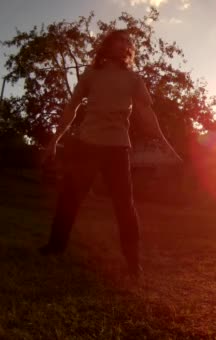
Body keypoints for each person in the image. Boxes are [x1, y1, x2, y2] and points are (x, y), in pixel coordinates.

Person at [38, 29, 180, 277]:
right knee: (69, 199)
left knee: (124, 205)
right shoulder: (91, 74)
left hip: (117, 148)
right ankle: (55, 247)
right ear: (108, 45)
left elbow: (147, 114)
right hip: (88, 144)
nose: (125, 44)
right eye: (120, 39)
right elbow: (71, 109)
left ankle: (133, 262)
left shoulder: (134, 80)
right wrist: (54, 141)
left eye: (128, 42)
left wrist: (166, 144)